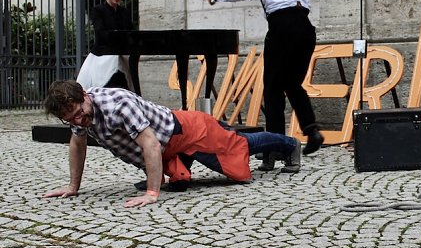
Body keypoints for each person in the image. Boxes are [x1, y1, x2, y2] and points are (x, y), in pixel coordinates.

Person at [41, 80, 301, 208]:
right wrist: (74, 186)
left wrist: (152, 193)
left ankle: (289, 144)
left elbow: (151, 145)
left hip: (188, 131)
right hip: (168, 146)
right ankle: (176, 172)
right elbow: (77, 143)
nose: (78, 120)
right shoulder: (78, 115)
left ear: (85, 95)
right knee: (180, 179)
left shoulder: (118, 104)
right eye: (71, 118)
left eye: (79, 112)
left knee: (239, 146)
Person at [203, 0, 324, 172]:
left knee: (271, 89)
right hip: (306, 29)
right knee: (292, 83)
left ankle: (274, 148)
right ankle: (311, 130)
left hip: (283, 28)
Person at [76, 0, 134, 90]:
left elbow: (130, 34)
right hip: (102, 56)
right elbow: (100, 33)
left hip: (122, 57)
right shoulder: (98, 10)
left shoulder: (125, 13)